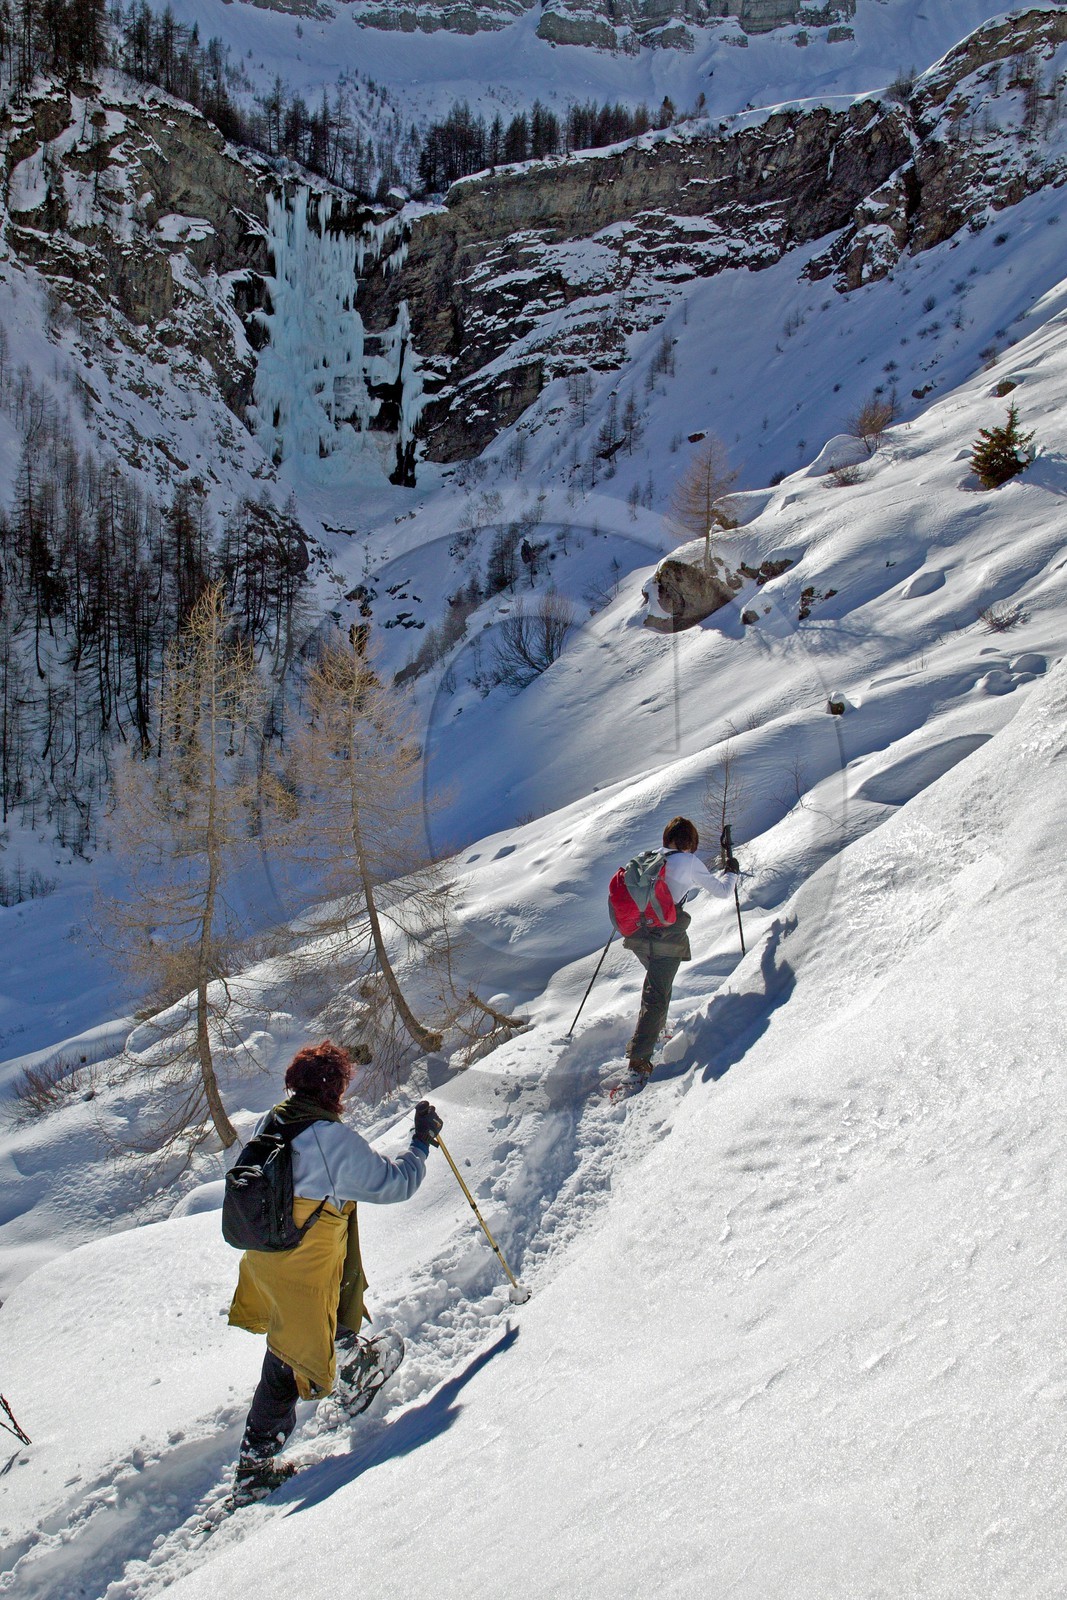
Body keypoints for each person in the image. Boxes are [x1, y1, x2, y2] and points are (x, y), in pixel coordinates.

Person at [227, 1039, 442, 1497]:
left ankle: (350, 1365)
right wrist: (421, 1143)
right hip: (302, 1268)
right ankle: (255, 1468)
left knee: (299, 1331)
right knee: (288, 1355)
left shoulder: (274, 1120)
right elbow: (395, 1183)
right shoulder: (330, 1140)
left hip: (263, 1257)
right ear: (335, 1089)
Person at [625, 816, 740, 1079]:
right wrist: (731, 872)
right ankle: (638, 1061)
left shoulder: (650, 857)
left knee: (658, 985)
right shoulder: (687, 861)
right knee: (656, 994)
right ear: (690, 842)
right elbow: (723, 891)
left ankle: (655, 1031)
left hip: (637, 934)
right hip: (664, 937)